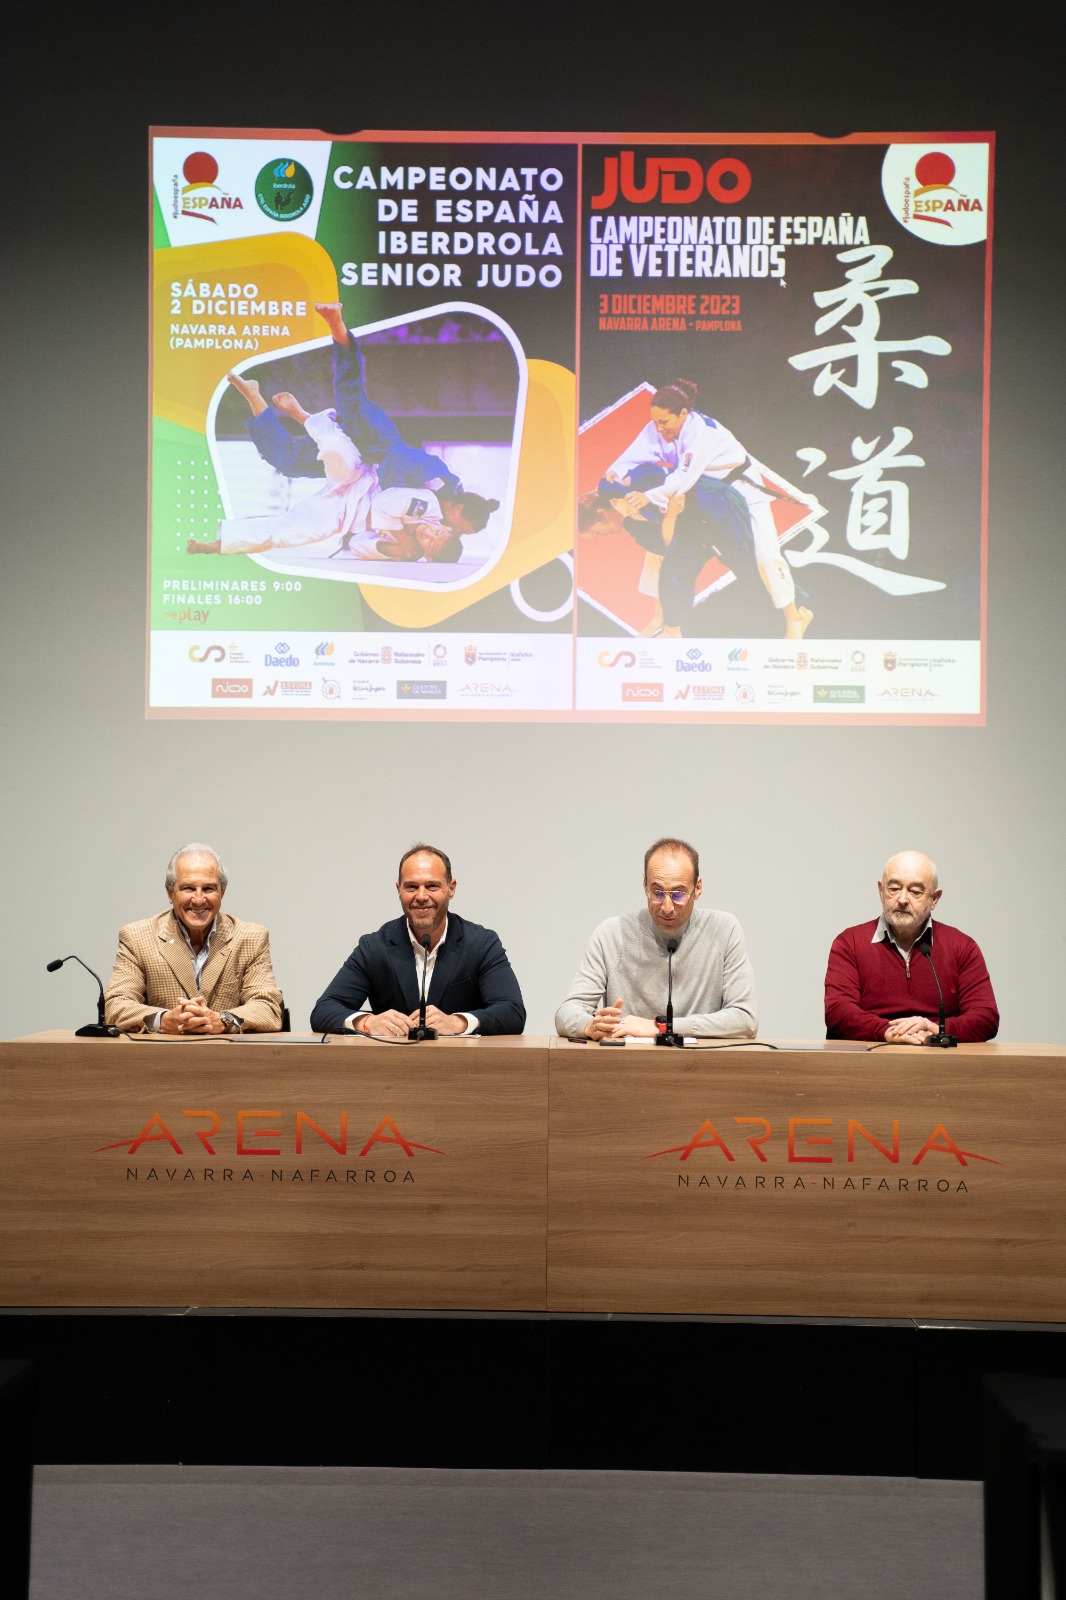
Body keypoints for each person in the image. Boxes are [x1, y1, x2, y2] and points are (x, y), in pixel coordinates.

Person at [232, 301, 499, 544]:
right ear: (459, 509)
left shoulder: (431, 523)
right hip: (378, 443)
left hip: (359, 472)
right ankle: (335, 322)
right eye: (461, 529)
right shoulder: (441, 479)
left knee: (287, 462)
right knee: (348, 394)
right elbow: (401, 460)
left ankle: (253, 394)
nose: (455, 534)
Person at [609, 379, 813, 639]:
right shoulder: (658, 427)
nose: (659, 429)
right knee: (658, 550)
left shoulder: (702, 433)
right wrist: (616, 471)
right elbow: (635, 453)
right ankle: (662, 620)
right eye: (656, 422)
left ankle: (795, 616)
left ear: (684, 414)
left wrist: (647, 497)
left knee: (764, 557)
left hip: (742, 494)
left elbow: (681, 480)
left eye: (665, 422)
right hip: (701, 501)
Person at [192, 385, 491, 562]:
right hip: (361, 479)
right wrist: (402, 535)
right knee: (336, 452)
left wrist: (393, 547)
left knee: (288, 533)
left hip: (340, 515)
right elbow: (387, 501)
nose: (430, 534)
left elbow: (360, 545)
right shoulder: (429, 504)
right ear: (448, 524)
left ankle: (220, 543)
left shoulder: (411, 551)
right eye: (439, 532)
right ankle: (306, 417)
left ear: (427, 555)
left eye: (430, 543)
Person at [311, 844, 526, 1037]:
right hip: (392, 1071)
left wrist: (457, 1022)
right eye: (411, 887)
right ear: (398, 890)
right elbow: (323, 1010)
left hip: (463, 1070)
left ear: (451, 889)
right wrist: (367, 1022)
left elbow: (512, 1012)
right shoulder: (375, 947)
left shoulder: (481, 944)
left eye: (432, 886)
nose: (421, 896)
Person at [554, 838, 757, 1040]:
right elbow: (566, 1013)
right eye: (657, 892)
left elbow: (746, 1020)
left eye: (678, 894)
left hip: (700, 1066)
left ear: (698, 888)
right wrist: (589, 1025)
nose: (667, 907)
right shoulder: (612, 934)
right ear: (645, 885)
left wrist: (662, 1027)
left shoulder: (723, 930)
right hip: (629, 1066)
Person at [104, 844, 283, 1034]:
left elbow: (268, 1009)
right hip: (160, 1059)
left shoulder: (251, 937)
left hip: (228, 1060)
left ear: (222, 892)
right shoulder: (137, 937)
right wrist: (164, 1020)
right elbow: (117, 1005)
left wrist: (223, 1020)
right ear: (170, 893)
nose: (198, 899)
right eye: (188, 888)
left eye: (208, 889)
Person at [824, 850, 999, 1043]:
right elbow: (837, 1011)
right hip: (872, 1057)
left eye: (915, 891)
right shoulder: (850, 943)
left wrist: (936, 1029)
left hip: (938, 1061)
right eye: (894, 888)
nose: (902, 899)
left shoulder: (961, 947)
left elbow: (986, 1017)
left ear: (934, 899)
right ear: (881, 891)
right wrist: (887, 1032)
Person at [578, 464, 761, 637]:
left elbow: (649, 471)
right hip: (692, 527)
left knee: (746, 564)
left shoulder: (621, 487)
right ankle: (666, 624)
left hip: (714, 502)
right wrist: (671, 514)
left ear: (601, 515)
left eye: (596, 533)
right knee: (664, 563)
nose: (602, 537)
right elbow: (664, 544)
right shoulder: (632, 524)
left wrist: (627, 481)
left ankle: (765, 610)